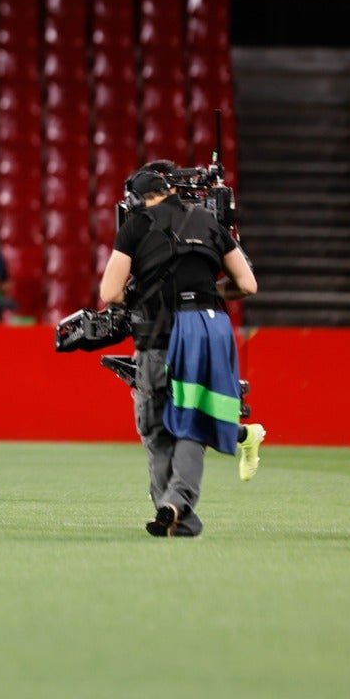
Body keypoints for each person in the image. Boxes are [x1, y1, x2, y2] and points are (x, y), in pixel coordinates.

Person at [98, 159, 262, 538]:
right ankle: (178, 510)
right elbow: (248, 284)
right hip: (209, 332)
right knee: (192, 423)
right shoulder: (208, 222)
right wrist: (205, 292)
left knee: (156, 430)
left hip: (158, 335)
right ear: (169, 190)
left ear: (137, 200)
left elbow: (110, 292)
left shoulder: (136, 226)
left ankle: (172, 509)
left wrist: (141, 296)